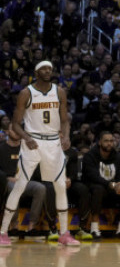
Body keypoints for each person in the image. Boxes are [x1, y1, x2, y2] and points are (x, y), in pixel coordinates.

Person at [0, 61, 78, 247]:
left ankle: (64, 233)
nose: (47, 71)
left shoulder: (59, 92)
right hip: (33, 142)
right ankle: (2, 232)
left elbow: (65, 120)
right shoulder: (26, 93)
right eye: (44, 69)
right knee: (20, 185)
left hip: (53, 142)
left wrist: (66, 137)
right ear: (36, 72)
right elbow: (16, 123)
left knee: (60, 185)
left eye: (50, 68)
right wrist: (26, 137)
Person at [80, 130, 120, 238]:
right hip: (93, 186)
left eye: (111, 141)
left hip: (111, 187)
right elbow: (94, 177)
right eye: (106, 141)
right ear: (99, 142)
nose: (109, 143)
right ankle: (94, 228)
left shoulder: (117, 156)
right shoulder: (90, 156)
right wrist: (113, 185)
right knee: (98, 189)